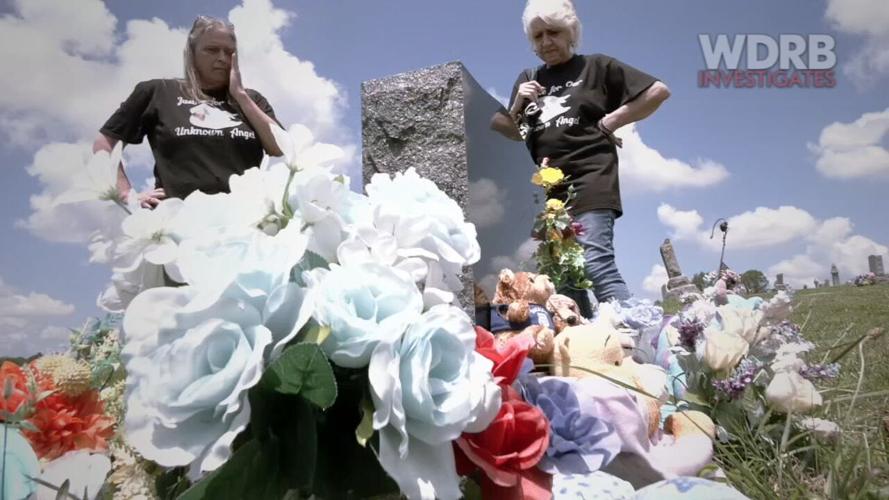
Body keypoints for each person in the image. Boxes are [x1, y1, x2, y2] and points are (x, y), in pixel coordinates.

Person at [493, 0, 671, 308]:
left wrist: (610, 121)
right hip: (546, 192)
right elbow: (510, 131)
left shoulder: (597, 67)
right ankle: (586, 346)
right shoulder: (528, 78)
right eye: (538, 36)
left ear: (571, 33)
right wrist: (517, 105)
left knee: (595, 263)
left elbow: (657, 91)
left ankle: (635, 337)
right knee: (563, 278)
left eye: (554, 32)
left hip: (591, 178)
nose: (546, 41)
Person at [93, 16, 282, 208]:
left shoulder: (253, 100)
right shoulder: (158, 91)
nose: (222, 58)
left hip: (246, 220)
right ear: (192, 53)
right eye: (212, 50)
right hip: (177, 222)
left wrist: (240, 95)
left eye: (229, 52)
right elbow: (105, 144)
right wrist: (126, 194)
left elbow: (279, 147)